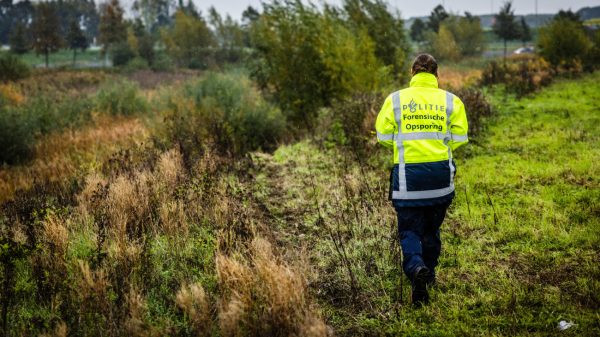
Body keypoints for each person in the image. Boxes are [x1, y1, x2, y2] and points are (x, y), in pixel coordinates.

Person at [375, 54, 469, 306]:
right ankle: (429, 274)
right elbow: (460, 139)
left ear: (412, 73)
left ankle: (417, 268)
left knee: (409, 230)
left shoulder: (395, 100)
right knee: (431, 229)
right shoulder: (452, 101)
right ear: (436, 75)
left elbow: (383, 136)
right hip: (440, 178)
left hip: (408, 179)